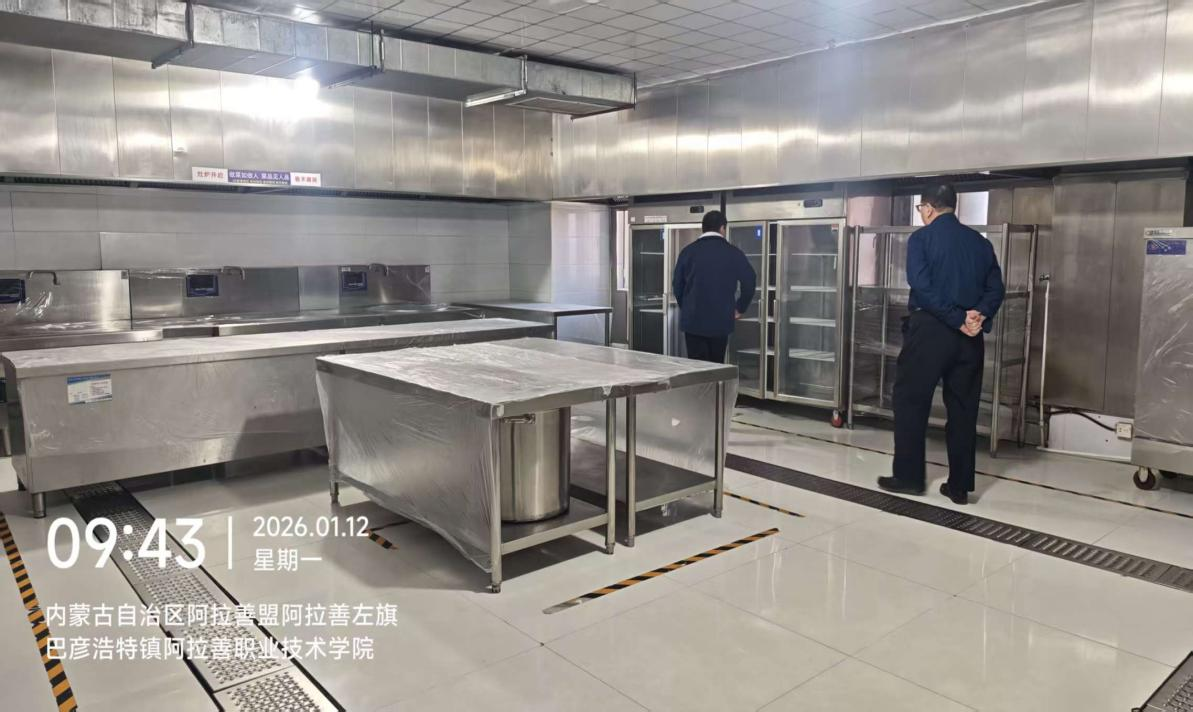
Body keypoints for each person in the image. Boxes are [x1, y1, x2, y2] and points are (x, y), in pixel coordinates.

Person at [877, 184, 1005, 505]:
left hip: (930, 331)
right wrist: (977, 315)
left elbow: (921, 285)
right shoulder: (980, 243)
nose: (921, 213)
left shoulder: (922, 240)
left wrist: (956, 318)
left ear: (929, 208)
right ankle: (959, 486)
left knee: (910, 400)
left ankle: (909, 478)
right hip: (970, 338)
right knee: (964, 407)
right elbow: (996, 289)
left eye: (921, 208)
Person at [671, 210, 757, 364]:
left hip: (693, 321)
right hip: (720, 320)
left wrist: (688, 307)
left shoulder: (688, 252)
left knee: (697, 367)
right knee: (716, 366)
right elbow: (750, 281)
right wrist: (740, 307)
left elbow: (677, 285)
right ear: (722, 228)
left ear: (703, 228)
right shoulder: (733, 253)